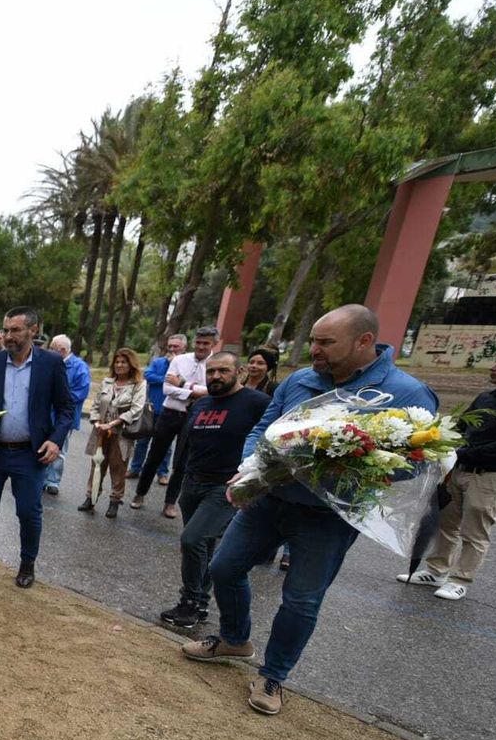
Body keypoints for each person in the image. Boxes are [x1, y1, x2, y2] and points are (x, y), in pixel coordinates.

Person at [184, 304, 439, 716]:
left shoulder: (405, 394)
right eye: (315, 340)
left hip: (328, 518)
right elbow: (263, 428)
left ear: (364, 341)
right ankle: (234, 639)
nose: (314, 350)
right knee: (224, 567)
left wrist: (348, 467)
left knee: (301, 600)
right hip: (269, 499)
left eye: (325, 342)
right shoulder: (301, 380)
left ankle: (273, 677)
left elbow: (419, 462)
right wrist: (250, 466)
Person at [0, 306, 76, 591]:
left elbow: (66, 408)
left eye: (15, 330)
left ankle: (27, 565)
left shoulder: (51, 364)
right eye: (6, 330)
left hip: (30, 454)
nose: (8, 336)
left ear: (33, 330)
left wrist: (56, 440)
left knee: (29, 512)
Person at [156, 352, 270, 628]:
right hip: (193, 481)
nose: (216, 376)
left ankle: (191, 600)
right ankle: (199, 604)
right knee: (204, 543)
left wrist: (252, 479)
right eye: (212, 371)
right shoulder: (202, 403)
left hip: (225, 487)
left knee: (192, 539)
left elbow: (270, 440)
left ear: (239, 371)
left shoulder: (257, 403)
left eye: (223, 371)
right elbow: (188, 442)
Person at [400, 350, 496, 601]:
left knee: (475, 531)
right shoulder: (485, 398)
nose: (493, 367)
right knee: (446, 523)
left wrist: (463, 453)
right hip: (458, 470)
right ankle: (436, 571)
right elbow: (462, 427)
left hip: (489, 476)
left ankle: (460, 579)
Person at [132, 327, 216, 518]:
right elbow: (167, 388)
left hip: (194, 417)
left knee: (182, 463)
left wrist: (183, 384)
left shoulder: (215, 364)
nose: (201, 346)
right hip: (170, 413)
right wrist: (194, 391)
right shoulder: (180, 360)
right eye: (199, 342)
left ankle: (170, 503)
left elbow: (212, 392)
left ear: (214, 344)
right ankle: (139, 494)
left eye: (206, 343)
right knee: (154, 456)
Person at [77, 348, 147, 519]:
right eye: (117, 362)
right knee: (96, 466)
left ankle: (115, 501)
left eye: (123, 362)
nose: (119, 365)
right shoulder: (107, 382)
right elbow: (95, 405)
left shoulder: (138, 384)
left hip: (122, 433)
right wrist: (96, 422)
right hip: (100, 431)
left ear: (131, 365)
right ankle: (91, 498)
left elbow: (136, 409)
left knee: (118, 467)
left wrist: (112, 424)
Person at [43, 334, 93, 495]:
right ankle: (41, 478)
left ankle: (53, 481)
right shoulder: (50, 363)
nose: (49, 350)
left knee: (59, 449)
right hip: (46, 414)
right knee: (42, 446)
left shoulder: (79, 367)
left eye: (52, 348)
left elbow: (81, 391)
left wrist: (58, 397)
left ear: (62, 350)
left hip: (64, 417)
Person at [128, 334, 182, 483]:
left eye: (175, 346)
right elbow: (148, 375)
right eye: (170, 346)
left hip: (170, 411)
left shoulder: (184, 365)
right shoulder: (158, 362)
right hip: (151, 410)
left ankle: (162, 473)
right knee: (142, 441)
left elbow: (184, 383)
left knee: (165, 445)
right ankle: (135, 468)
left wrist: (175, 375)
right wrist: (167, 377)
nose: (171, 349)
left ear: (184, 347)